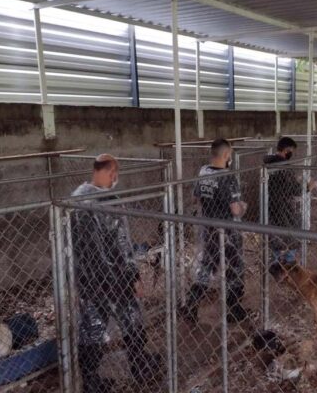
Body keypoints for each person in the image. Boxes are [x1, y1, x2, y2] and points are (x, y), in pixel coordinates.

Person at [71, 154, 161, 392]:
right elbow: (120, 245)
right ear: (110, 171)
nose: (116, 178)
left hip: (88, 279)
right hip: (114, 277)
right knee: (131, 318)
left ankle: (89, 379)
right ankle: (140, 366)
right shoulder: (107, 200)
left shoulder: (77, 198)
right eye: (115, 173)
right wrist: (132, 277)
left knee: (93, 327)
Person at [180, 139, 249, 324]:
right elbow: (235, 209)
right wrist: (243, 207)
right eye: (230, 155)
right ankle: (234, 308)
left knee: (207, 268)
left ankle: (191, 304)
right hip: (228, 231)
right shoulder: (228, 177)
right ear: (226, 155)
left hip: (208, 228)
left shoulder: (203, 172)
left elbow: (195, 198)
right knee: (235, 268)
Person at [263, 137, 317, 270]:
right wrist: (308, 187)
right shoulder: (284, 166)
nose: (291, 154)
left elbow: (282, 184)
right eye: (291, 151)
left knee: (274, 233)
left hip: (269, 203)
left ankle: (274, 263)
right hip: (283, 205)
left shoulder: (268, 163)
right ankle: (289, 264)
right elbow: (293, 189)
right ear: (286, 150)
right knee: (294, 233)